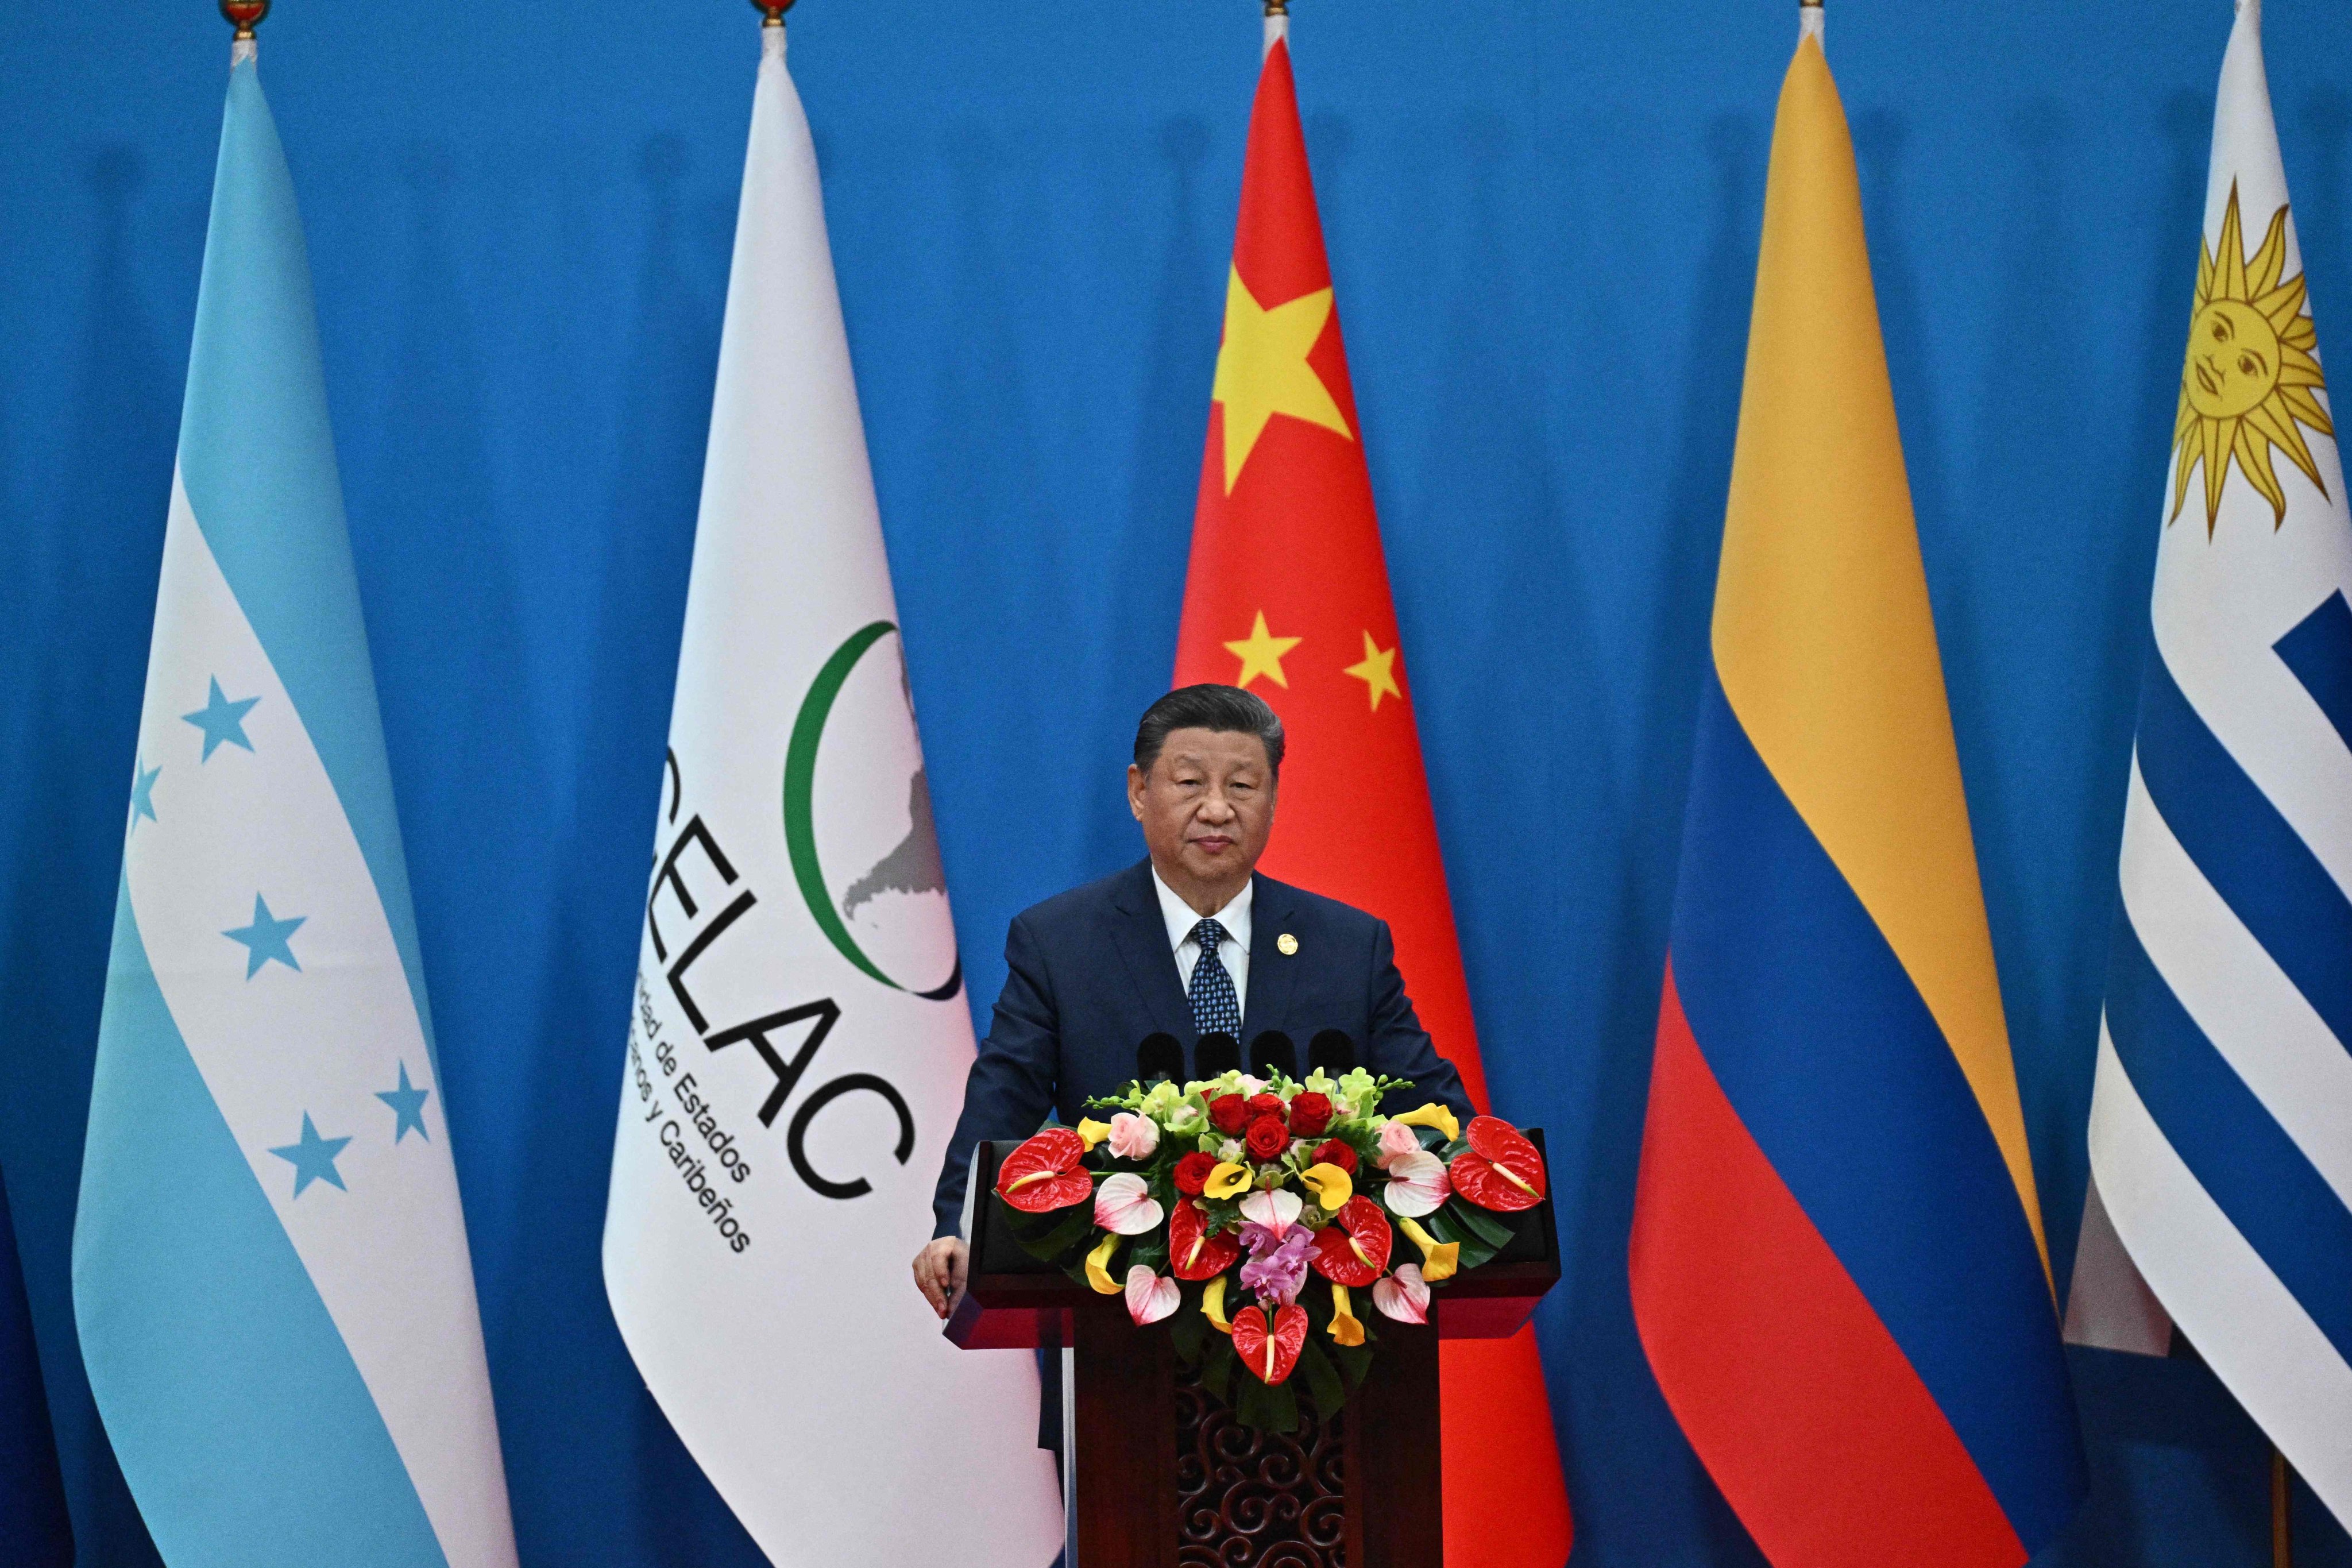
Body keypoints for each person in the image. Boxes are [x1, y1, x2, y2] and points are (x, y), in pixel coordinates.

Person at [912, 682, 1473, 1318]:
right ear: (1138, 792)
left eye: (1242, 786)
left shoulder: (1347, 947)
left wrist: (1488, 1186)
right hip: (1125, 1309)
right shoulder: (1060, 945)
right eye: (1189, 784)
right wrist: (956, 1226)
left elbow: (1433, 1112)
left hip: (1323, 1312)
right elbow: (1002, 1103)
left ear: (1273, 799)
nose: (1217, 810)